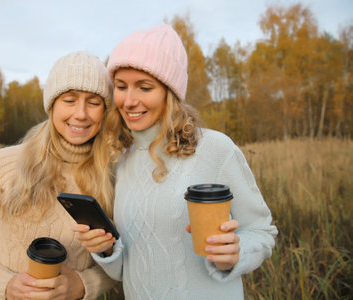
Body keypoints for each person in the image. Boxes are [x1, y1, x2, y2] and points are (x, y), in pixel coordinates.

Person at [73, 24, 278, 299]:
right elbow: (126, 271)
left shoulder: (214, 149)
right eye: (121, 87)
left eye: (144, 87)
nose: (129, 101)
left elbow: (261, 230)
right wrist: (106, 250)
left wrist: (236, 253)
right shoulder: (120, 160)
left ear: (170, 92)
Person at [0, 51, 117, 300]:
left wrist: (83, 284)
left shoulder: (110, 176)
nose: (81, 113)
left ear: (105, 110)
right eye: (69, 100)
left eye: (93, 102)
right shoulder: (3, 164)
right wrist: (5, 285)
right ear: (52, 105)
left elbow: (119, 258)